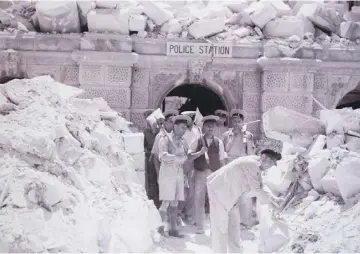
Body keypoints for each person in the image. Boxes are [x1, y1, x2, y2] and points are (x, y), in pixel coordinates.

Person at [207, 149, 282, 253]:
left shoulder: (257, 165)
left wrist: (274, 198)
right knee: (220, 230)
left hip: (232, 197)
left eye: (272, 164)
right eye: (269, 162)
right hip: (219, 193)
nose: (269, 166)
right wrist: (273, 205)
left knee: (234, 229)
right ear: (262, 157)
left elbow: (261, 185)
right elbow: (257, 190)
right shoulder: (251, 164)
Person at [188, 115, 227, 234]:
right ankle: (200, 226)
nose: (211, 128)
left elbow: (222, 160)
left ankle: (214, 226)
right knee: (199, 200)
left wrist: (223, 175)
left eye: (213, 126)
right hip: (200, 174)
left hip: (214, 174)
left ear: (216, 128)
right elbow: (189, 156)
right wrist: (200, 152)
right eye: (208, 126)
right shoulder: (197, 140)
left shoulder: (219, 142)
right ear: (204, 127)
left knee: (214, 201)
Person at [158, 115, 191, 238]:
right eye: (182, 127)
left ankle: (173, 229)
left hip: (179, 173)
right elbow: (162, 156)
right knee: (166, 201)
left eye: (185, 128)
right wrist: (177, 159)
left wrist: (183, 159)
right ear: (175, 126)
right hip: (167, 173)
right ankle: (160, 227)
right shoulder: (164, 139)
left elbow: (187, 155)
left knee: (175, 202)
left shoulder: (183, 141)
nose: (183, 131)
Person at [223, 109, 256, 227]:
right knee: (231, 193)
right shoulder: (227, 135)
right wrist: (235, 136)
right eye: (234, 121)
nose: (236, 123)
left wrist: (245, 138)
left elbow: (251, 153)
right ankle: (230, 221)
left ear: (243, 122)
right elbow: (225, 151)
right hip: (230, 165)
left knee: (244, 195)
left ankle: (245, 221)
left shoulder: (248, 135)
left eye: (239, 121)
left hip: (242, 166)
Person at [150, 109, 178, 209]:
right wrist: (158, 174)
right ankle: (163, 219)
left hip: (175, 171)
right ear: (165, 122)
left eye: (174, 122)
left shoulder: (177, 135)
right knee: (165, 198)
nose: (173, 124)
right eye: (170, 121)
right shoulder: (160, 136)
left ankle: (174, 219)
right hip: (164, 171)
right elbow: (155, 157)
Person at [180, 110, 201, 224]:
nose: (191, 120)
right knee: (181, 188)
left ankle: (188, 213)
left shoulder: (197, 130)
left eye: (192, 118)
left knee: (191, 189)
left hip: (193, 162)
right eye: (189, 118)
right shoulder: (181, 130)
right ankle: (179, 212)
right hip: (182, 161)